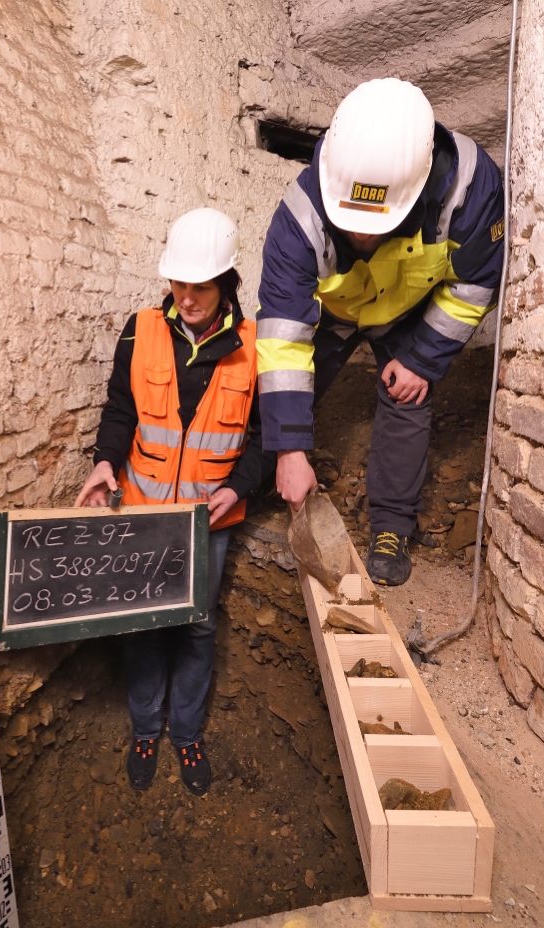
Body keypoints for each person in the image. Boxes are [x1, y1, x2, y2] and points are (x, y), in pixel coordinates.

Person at [257, 77, 504, 586]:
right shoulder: (299, 215)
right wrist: (289, 450)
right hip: (337, 310)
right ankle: (249, 483)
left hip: (407, 309)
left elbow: (475, 285)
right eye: (350, 223)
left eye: (378, 223)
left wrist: (422, 358)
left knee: (407, 395)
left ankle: (391, 527)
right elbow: (283, 340)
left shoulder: (472, 192)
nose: (363, 236)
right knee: (277, 392)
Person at [74, 208, 276, 795]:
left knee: (194, 627)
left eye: (201, 286)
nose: (186, 298)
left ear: (227, 284)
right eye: (178, 284)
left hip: (207, 523)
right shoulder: (139, 331)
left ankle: (185, 733)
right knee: (141, 626)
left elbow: (265, 439)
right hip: (141, 511)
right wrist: (105, 461)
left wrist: (238, 487)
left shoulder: (255, 348)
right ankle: (145, 728)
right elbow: (120, 411)